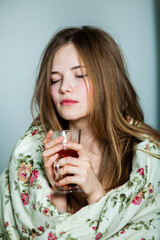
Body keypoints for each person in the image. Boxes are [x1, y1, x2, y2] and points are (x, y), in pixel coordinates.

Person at [0, 26, 160, 240]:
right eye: (54, 79)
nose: (64, 87)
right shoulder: (29, 154)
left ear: (108, 79)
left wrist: (95, 193)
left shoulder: (147, 157)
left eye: (80, 75)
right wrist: (58, 192)